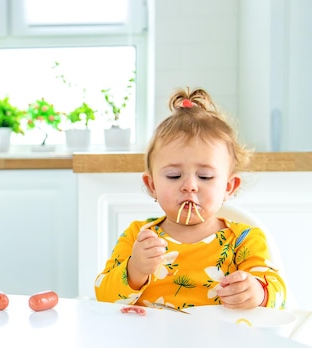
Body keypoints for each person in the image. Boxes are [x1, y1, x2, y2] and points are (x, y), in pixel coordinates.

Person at [94, 87, 286, 310]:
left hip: (220, 343)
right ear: (152, 185)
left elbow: (279, 297)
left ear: (228, 187)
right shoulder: (139, 237)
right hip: (150, 343)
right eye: (174, 176)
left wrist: (257, 293)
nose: (189, 186)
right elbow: (103, 297)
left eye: (205, 176)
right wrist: (135, 271)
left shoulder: (244, 240)